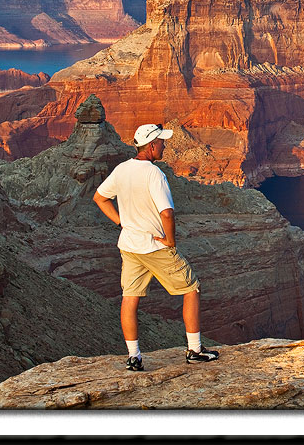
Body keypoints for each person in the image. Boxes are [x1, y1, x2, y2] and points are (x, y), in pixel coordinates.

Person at [93, 123, 219, 370]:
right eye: (161, 141)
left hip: (129, 245)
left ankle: (134, 357)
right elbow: (167, 213)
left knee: (130, 298)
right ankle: (194, 349)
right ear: (151, 146)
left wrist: (122, 222)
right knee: (191, 288)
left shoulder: (121, 170)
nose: (165, 145)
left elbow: (100, 198)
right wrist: (170, 241)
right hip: (154, 246)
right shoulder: (154, 174)